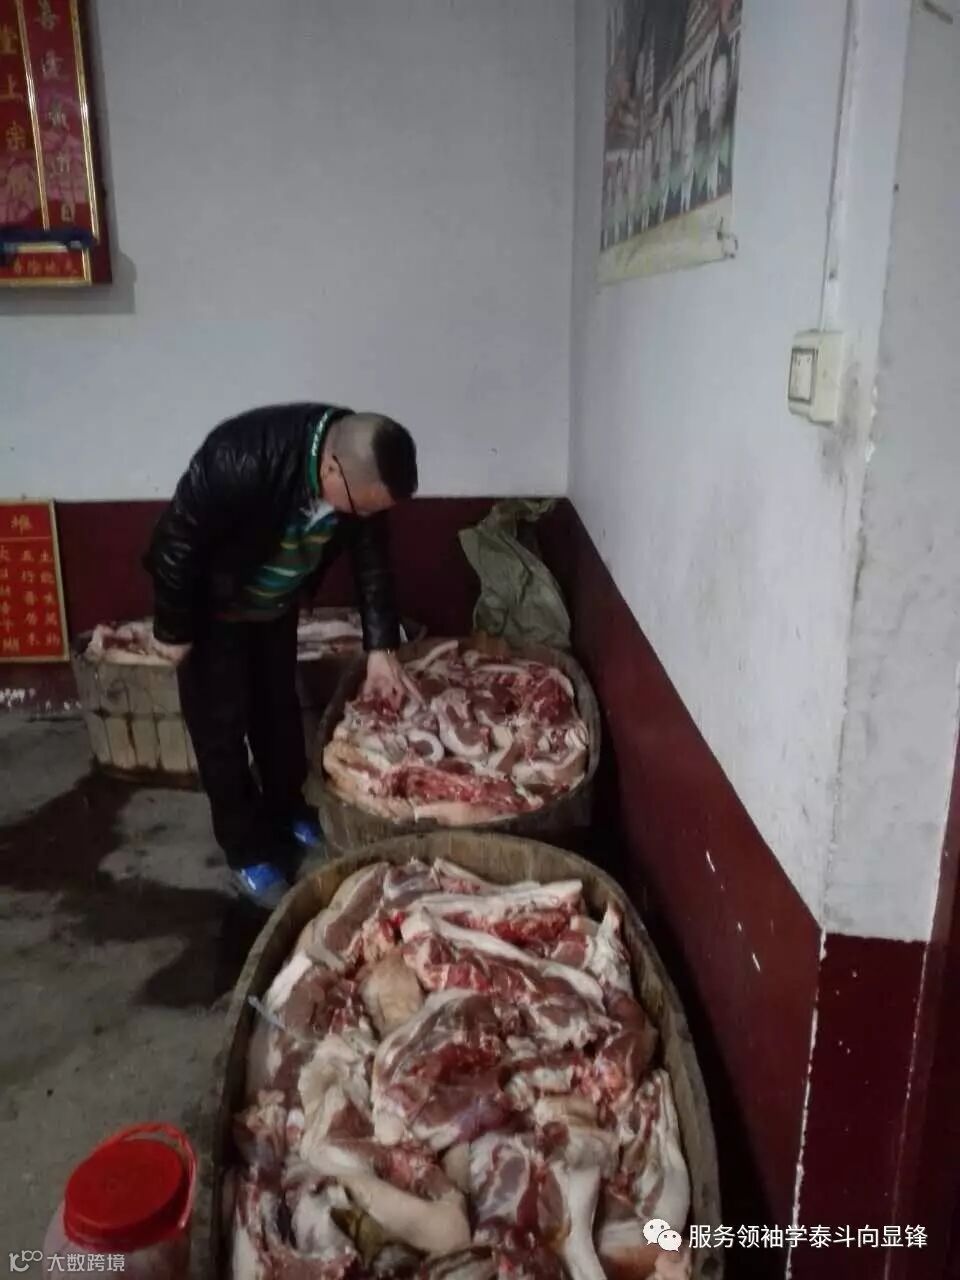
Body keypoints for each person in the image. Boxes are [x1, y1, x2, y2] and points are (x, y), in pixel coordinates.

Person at [143, 404, 418, 909]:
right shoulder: (239, 457)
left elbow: (371, 559)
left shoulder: (360, 478)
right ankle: (246, 850)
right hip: (215, 611)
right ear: (330, 469)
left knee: (278, 713)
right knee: (222, 731)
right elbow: (177, 541)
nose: (363, 518)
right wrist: (174, 628)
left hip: (275, 607)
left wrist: (380, 648)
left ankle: (287, 809)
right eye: (361, 508)